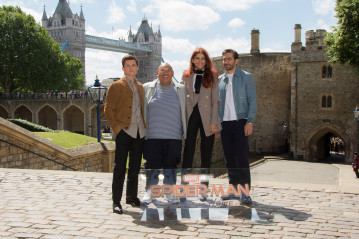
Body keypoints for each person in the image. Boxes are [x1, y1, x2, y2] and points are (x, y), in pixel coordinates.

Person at [104, 55, 146, 214]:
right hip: (124, 132)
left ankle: (131, 196)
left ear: (137, 68)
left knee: (135, 167)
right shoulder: (116, 86)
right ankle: (116, 201)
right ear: (123, 68)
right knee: (120, 168)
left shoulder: (141, 87)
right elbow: (108, 109)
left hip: (139, 132)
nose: (130, 68)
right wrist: (117, 129)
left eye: (133, 65)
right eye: (127, 65)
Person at [142, 63, 186, 203]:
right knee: (151, 165)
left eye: (168, 70)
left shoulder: (181, 89)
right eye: (162, 70)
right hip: (152, 137)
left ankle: (170, 193)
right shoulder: (146, 88)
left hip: (174, 137)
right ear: (157, 72)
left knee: (171, 165)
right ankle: (150, 192)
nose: (165, 72)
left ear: (173, 73)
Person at [218, 49, 257, 205]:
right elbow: (216, 104)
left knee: (241, 158)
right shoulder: (220, 80)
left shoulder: (246, 77)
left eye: (229, 59)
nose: (226, 62)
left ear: (236, 60)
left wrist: (250, 121)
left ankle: (245, 192)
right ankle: (233, 190)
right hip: (224, 124)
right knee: (229, 159)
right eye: (224, 59)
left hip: (241, 122)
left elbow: (252, 101)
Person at [181, 48, 221, 199]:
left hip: (207, 117)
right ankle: (184, 188)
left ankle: (203, 189)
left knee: (206, 153)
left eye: (202, 58)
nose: (199, 61)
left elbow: (215, 101)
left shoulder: (213, 75)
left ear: (206, 61)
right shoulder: (185, 76)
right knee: (188, 152)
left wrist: (214, 122)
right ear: (192, 60)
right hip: (191, 116)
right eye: (197, 58)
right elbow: (182, 98)